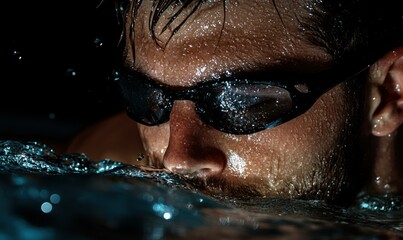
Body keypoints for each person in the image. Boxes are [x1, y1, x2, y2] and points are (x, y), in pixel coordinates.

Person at [67, 0, 403, 204]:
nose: (176, 159)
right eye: (147, 97)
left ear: (390, 91)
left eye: (241, 101)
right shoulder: (96, 180)